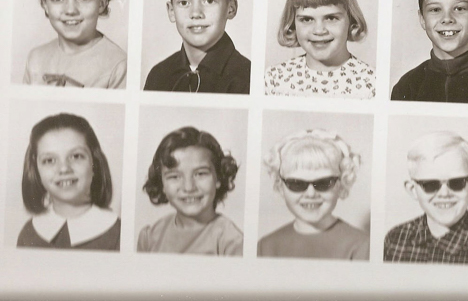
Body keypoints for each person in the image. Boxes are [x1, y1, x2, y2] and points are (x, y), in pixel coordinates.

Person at [384, 131, 468, 264]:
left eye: (457, 182)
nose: (444, 194)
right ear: (412, 190)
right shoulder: (395, 239)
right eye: (430, 184)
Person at [143, 0, 250, 94]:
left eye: (209, 1)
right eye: (184, 3)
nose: (196, 13)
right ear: (171, 11)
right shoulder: (158, 76)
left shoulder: (247, 78)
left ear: (231, 8)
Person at [264, 0, 375, 98]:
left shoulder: (371, 84)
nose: (319, 30)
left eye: (331, 18)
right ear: (293, 23)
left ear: (351, 20)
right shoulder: (274, 79)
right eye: (307, 19)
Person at [258, 129, 369, 259]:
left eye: (323, 183)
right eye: (297, 184)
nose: (311, 194)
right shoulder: (265, 246)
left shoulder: (362, 245)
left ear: (341, 184)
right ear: (280, 186)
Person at [24, 0, 126, 88]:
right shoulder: (35, 59)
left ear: (102, 3)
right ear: (45, 4)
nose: (71, 10)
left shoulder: (118, 64)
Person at [18, 113, 120, 250]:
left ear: (94, 164)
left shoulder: (119, 233)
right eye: (49, 160)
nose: (64, 168)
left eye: (76, 156)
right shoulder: (28, 234)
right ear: (36, 170)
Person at [138, 126, 242, 255]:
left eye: (200, 174)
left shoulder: (231, 242)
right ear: (162, 184)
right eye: (174, 176)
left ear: (219, 178)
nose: (188, 187)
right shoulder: (150, 237)